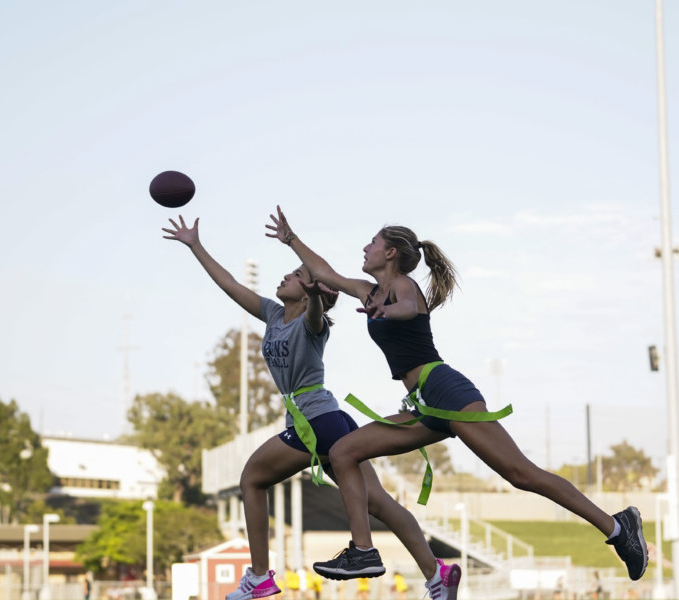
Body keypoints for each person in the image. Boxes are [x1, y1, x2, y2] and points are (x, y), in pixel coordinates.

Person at [267, 206, 649, 582]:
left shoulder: (401, 286)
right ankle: (363, 551)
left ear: (390, 253)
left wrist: (390, 313)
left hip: (445, 389)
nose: (364, 248)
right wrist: (291, 240)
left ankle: (617, 527)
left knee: (520, 473)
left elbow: (410, 306)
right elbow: (325, 272)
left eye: (372, 243)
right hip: (422, 404)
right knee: (344, 451)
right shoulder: (368, 292)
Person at [163, 216, 460, 600]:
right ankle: (437, 573)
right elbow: (230, 286)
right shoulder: (272, 314)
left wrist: (317, 294)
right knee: (378, 503)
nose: (285, 278)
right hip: (329, 420)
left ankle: (259, 577)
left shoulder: (311, 322)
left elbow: (319, 312)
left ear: (307, 293)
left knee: (252, 479)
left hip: (317, 421)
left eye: (294, 277)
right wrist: (195, 245)